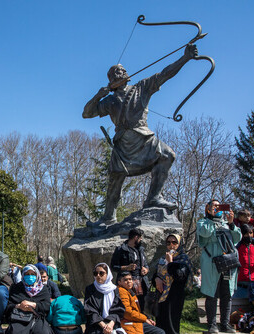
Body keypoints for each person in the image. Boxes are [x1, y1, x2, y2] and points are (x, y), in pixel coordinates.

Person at [82, 43, 199, 223]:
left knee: (168, 155)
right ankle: (108, 217)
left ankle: (153, 197)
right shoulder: (110, 100)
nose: (122, 72)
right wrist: (98, 96)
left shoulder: (141, 87)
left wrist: (185, 58)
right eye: (117, 72)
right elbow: (87, 113)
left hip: (143, 138)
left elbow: (165, 74)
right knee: (115, 181)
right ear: (112, 80)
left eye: (122, 70)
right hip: (123, 144)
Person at [0, 264, 54, 334]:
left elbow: (46, 306)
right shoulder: (16, 288)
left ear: (37, 276)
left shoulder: (43, 289)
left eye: (32, 274)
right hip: (20, 318)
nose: (30, 277)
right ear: (23, 275)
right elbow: (9, 306)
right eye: (27, 275)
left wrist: (34, 304)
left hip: (37, 318)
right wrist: (18, 306)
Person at [197, 200, 242, 333]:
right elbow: (205, 233)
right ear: (208, 208)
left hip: (228, 261)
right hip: (212, 261)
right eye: (214, 206)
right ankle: (212, 324)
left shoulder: (226, 223)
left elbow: (237, 238)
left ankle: (225, 323)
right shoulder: (202, 222)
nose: (217, 208)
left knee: (226, 294)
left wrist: (231, 222)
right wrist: (211, 218)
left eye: (219, 206)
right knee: (212, 293)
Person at [154, 234, 192, 334]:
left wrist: (170, 263)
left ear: (179, 244)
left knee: (172, 329)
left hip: (175, 298)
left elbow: (180, 276)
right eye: (168, 242)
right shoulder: (162, 259)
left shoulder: (182, 259)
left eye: (174, 242)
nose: (171, 245)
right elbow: (157, 274)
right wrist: (157, 279)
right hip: (162, 298)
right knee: (163, 329)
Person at [83, 263, 128, 334]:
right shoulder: (90, 289)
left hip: (112, 324)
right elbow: (90, 310)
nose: (98, 276)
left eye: (101, 273)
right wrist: (103, 325)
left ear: (107, 275)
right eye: (96, 273)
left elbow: (118, 309)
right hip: (96, 324)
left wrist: (111, 324)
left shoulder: (114, 290)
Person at [111, 228, 149, 300]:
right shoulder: (120, 250)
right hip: (127, 284)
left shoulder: (140, 249)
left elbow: (146, 264)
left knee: (142, 307)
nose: (141, 240)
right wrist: (126, 267)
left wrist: (146, 269)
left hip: (141, 284)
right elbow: (113, 266)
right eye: (140, 238)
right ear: (136, 237)